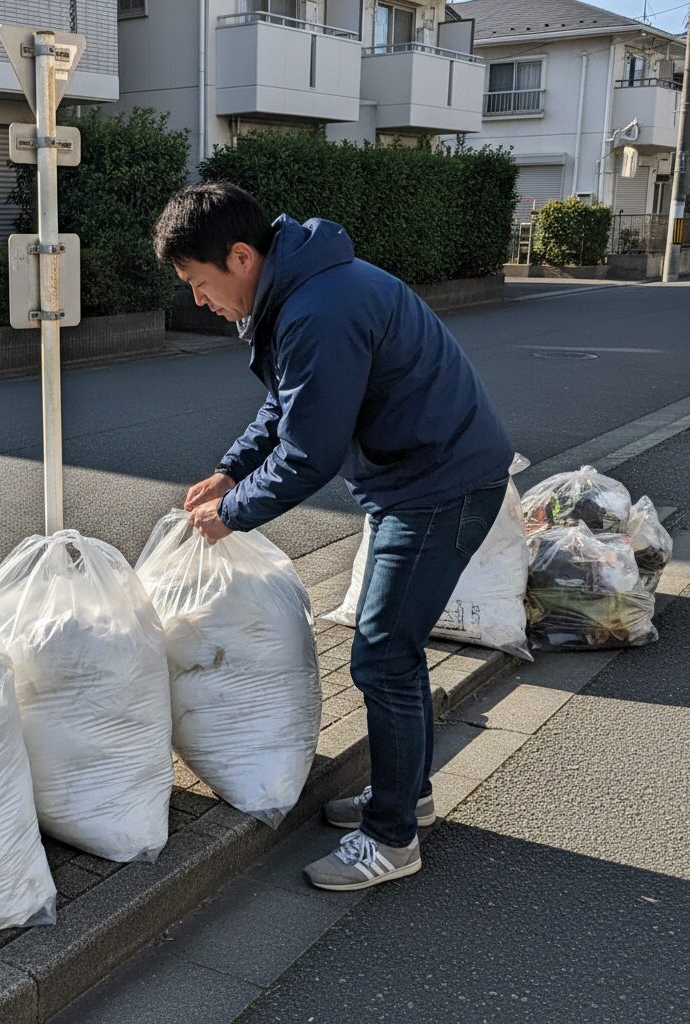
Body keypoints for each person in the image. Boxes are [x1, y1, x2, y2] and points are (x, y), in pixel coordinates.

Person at [153, 182, 513, 891]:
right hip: (419, 478)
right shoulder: (302, 291)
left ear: (241, 256)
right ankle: (404, 797)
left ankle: (391, 841)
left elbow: (310, 452)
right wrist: (230, 472)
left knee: (382, 658)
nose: (197, 300)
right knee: (391, 654)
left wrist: (235, 512)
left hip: (439, 485)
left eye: (199, 283)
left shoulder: (319, 308)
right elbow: (287, 405)